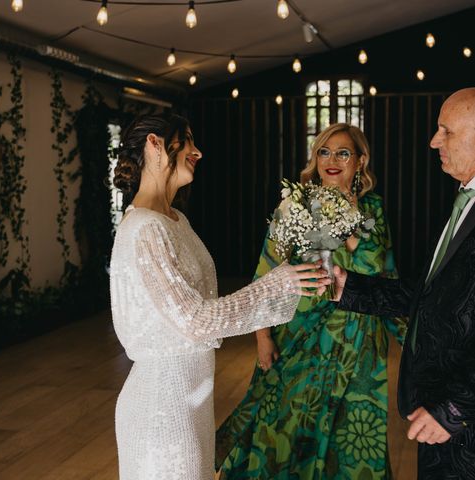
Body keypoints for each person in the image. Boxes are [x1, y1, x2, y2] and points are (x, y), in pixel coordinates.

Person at [328, 88, 475, 479]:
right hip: (438, 405)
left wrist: (454, 410)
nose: (434, 141)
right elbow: (432, 296)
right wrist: (348, 287)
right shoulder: (469, 196)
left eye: (446, 130)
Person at [109, 113, 328, 480]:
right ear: (156, 145)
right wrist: (278, 285)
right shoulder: (144, 228)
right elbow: (196, 321)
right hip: (161, 410)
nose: (198, 151)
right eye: (188, 140)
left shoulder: (175, 220)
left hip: (191, 399)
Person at [216, 123, 407, 479]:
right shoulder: (294, 205)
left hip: (358, 339)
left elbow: (379, 268)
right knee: (285, 429)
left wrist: (349, 213)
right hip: (300, 333)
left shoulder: (373, 209)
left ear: (360, 161)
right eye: (324, 151)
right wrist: (262, 338)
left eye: (343, 153)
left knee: (351, 437)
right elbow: (266, 273)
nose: (331, 160)